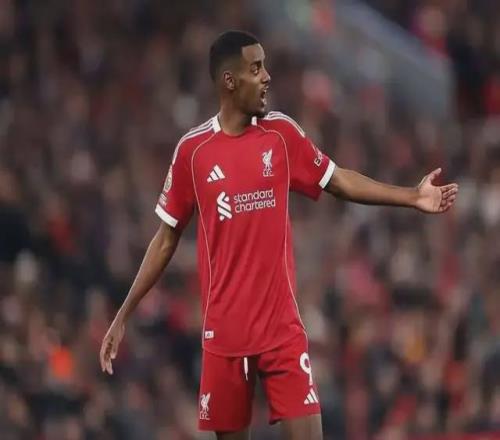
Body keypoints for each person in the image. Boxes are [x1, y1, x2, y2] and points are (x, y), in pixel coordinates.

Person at [100, 30, 459, 440]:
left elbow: (339, 180)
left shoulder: (280, 134)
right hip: (225, 337)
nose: (267, 76)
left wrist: (412, 196)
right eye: (256, 68)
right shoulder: (193, 152)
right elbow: (166, 239)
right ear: (229, 81)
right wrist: (123, 315)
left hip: (281, 331)